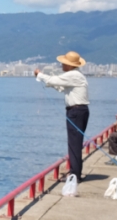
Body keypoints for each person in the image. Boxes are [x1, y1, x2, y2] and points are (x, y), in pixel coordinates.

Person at [34, 52, 89, 183]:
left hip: (76, 112)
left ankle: (75, 175)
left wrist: (40, 75)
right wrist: (47, 81)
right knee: (75, 143)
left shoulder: (73, 75)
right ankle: (75, 172)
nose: (61, 65)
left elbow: (55, 80)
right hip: (79, 111)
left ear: (69, 65)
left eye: (63, 63)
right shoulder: (76, 75)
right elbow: (60, 87)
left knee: (74, 144)